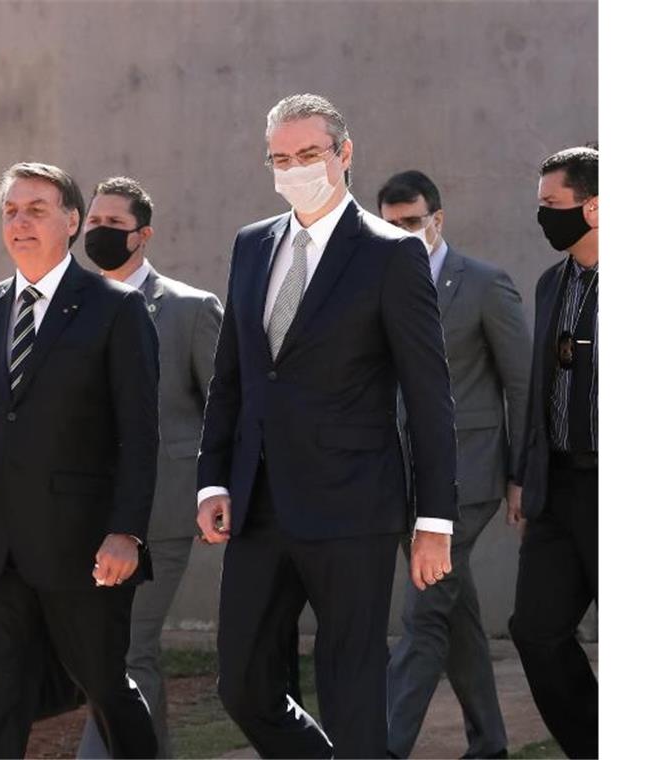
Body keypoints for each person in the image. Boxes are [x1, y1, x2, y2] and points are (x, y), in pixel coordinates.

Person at [196, 93, 457, 759]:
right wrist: (211, 481)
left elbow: (430, 398)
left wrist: (435, 521)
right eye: (280, 158)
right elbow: (235, 375)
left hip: (354, 507)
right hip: (258, 504)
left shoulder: (391, 254)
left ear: (344, 154)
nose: (295, 168)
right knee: (243, 683)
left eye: (309, 154)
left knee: (351, 691)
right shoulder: (251, 245)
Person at [0, 162, 160, 758]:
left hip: (83, 550)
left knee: (104, 688)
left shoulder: (117, 308)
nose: (20, 221)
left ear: (71, 221)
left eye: (36, 209)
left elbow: (139, 434)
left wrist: (126, 530)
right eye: (11, 211)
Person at [379, 170, 530, 759]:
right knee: (454, 611)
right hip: (402, 480)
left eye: (412, 222)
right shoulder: (379, 284)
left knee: (422, 619)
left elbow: (522, 384)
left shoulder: (486, 286)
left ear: (437, 220)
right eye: (391, 226)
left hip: (468, 479)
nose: (403, 233)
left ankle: (381, 748)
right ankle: (489, 744)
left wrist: (521, 475)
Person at [74, 177, 223, 759]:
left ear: (144, 235)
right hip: (84, 510)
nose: (100, 233)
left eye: (114, 225)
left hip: (161, 508)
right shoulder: (71, 306)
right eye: (94, 223)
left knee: (125, 651)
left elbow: (223, 408)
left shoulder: (189, 309)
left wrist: (218, 491)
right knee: (117, 652)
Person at [510, 146, 599, 759]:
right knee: (537, 632)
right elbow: (540, 387)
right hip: (560, 488)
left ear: (594, 206)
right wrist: (524, 477)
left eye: (552, 205)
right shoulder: (552, 284)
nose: (542, 217)